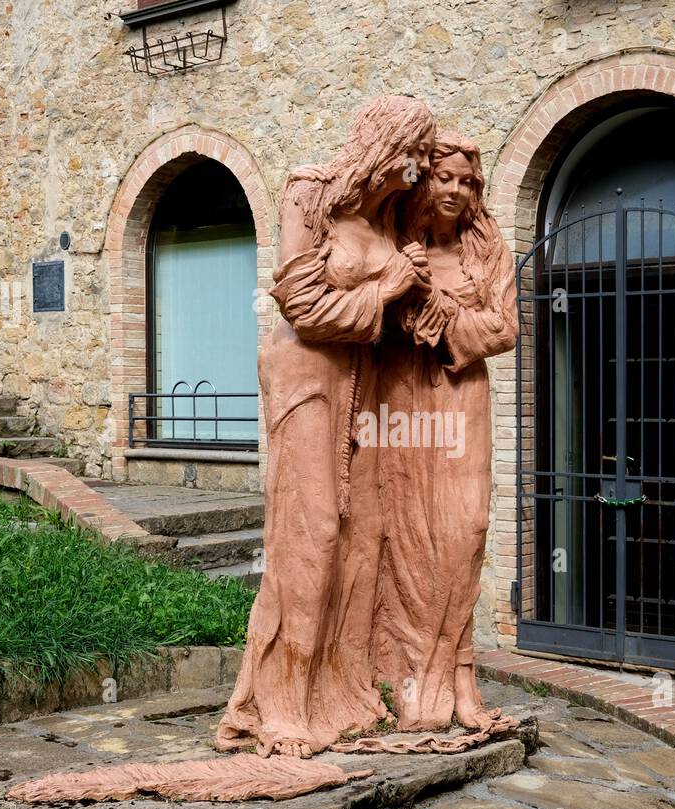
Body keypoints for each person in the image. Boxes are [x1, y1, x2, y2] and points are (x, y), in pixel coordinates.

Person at [215, 96, 435, 759]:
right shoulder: (309, 193)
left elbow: (397, 312)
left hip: (362, 383)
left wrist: (418, 299)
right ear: (381, 144)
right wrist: (390, 285)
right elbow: (303, 303)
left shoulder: (389, 219)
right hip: (305, 374)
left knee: (363, 532)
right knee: (308, 534)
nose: (420, 167)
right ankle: (279, 704)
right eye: (413, 152)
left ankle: (341, 690)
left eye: (426, 155)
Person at [372, 131, 519, 732]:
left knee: (466, 530)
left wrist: (449, 319)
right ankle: (415, 682)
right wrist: (399, 303)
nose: (457, 190)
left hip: (462, 398)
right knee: (410, 537)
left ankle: (459, 671)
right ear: (423, 181)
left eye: (468, 181)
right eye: (446, 178)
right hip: (403, 400)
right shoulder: (394, 246)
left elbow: (506, 328)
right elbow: (362, 317)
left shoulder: (485, 252)